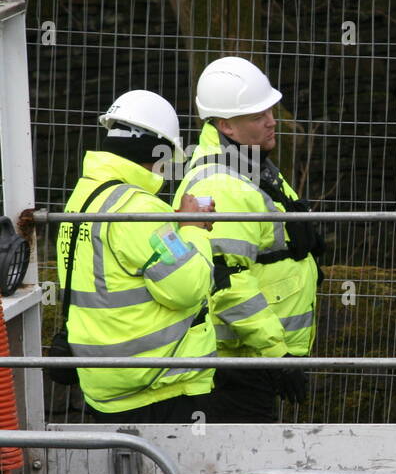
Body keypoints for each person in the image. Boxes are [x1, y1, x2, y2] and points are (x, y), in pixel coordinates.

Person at [175, 57, 324, 422]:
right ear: (226, 125)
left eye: (270, 110)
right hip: (241, 363)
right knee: (246, 470)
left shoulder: (251, 167)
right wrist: (278, 357)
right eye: (259, 116)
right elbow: (227, 284)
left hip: (252, 358)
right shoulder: (222, 184)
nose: (273, 121)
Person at [57, 90, 216, 422]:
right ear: (156, 150)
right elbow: (187, 287)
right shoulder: (140, 209)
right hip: (157, 386)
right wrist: (193, 228)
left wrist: (171, 227)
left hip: (103, 384)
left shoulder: (85, 195)